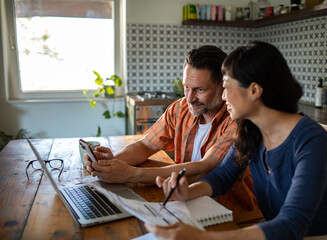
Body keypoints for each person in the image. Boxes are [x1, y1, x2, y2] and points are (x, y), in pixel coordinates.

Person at [146, 41, 327, 240]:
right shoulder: (251, 130)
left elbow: (293, 224)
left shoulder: (310, 137)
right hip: (272, 230)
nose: (224, 96)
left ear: (254, 91)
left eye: (226, 87)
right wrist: (187, 192)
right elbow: (223, 176)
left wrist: (203, 237)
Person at [85, 46, 257, 215]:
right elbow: (146, 144)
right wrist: (110, 164)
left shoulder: (237, 120)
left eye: (200, 89)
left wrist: (132, 174)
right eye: (186, 87)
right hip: (182, 201)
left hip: (229, 210)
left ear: (222, 87)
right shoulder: (180, 108)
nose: (189, 98)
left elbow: (204, 168)